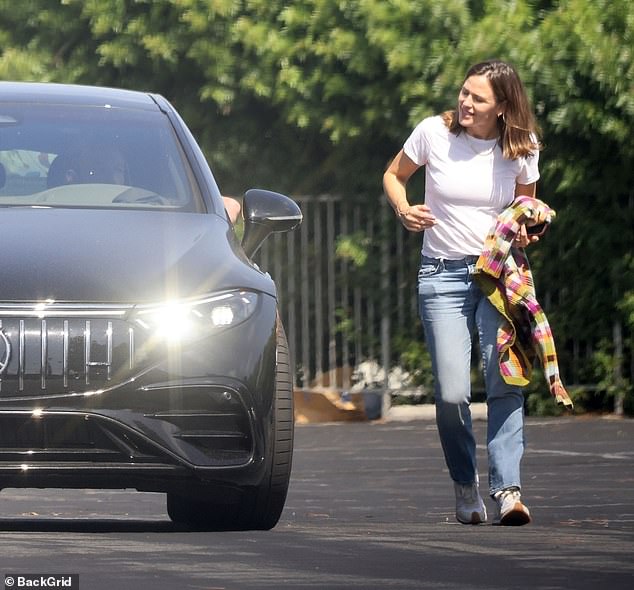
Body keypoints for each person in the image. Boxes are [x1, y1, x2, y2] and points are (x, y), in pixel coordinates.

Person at [383, 59, 542, 526]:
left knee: (504, 377)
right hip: (442, 276)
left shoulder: (521, 147)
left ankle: (508, 490)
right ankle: (464, 484)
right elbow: (394, 175)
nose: (465, 102)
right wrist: (403, 209)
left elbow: (523, 208)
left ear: (503, 107)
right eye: (464, 91)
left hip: (496, 276)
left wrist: (529, 229)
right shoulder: (435, 133)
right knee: (453, 392)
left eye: (478, 97)